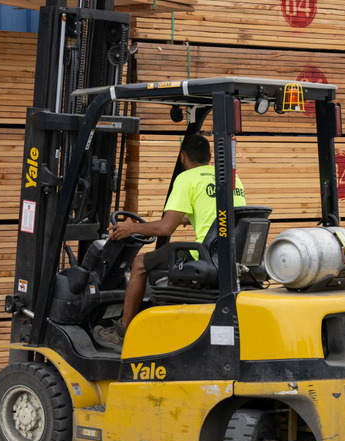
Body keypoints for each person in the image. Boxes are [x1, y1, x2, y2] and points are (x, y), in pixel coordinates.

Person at [91, 132, 245, 349]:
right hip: (227, 254)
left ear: (183, 157)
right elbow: (218, 214)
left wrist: (130, 227)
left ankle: (122, 332)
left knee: (139, 264)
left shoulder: (187, 179)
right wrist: (187, 217)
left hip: (205, 255)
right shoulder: (230, 177)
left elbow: (165, 228)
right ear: (210, 156)